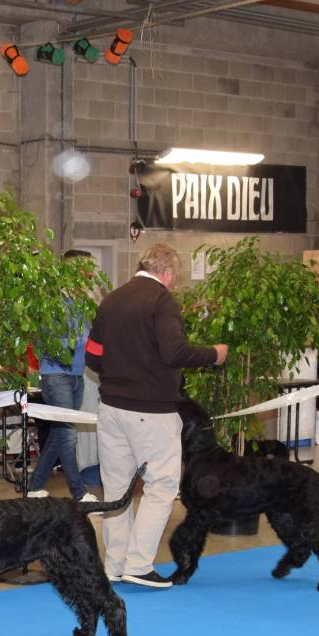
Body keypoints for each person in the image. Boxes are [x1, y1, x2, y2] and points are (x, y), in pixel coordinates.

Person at [84, 244, 226, 589]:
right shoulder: (162, 301)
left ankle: (114, 565)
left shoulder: (110, 299)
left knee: (116, 488)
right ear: (169, 272)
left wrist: (119, 376)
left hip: (111, 408)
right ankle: (138, 564)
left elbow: (92, 356)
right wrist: (214, 354)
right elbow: (174, 352)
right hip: (151, 410)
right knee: (161, 487)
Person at [25, 249, 103, 503]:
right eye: (84, 269)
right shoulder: (53, 302)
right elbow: (45, 340)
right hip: (55, 375)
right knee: (68, 434)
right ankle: (79, 492)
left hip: (77, 375)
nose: (89, 274)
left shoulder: (82, 303)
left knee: (59, 435)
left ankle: (35, 486)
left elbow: (89, 336)